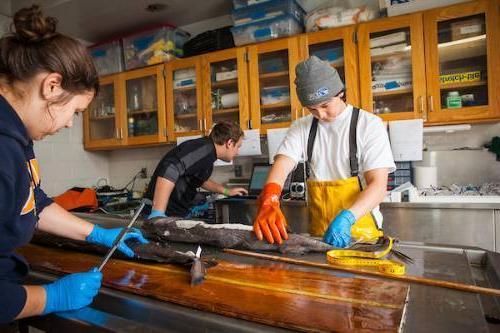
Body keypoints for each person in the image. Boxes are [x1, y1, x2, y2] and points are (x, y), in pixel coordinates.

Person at [0, 5, 148, 324]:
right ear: (52, 86)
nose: (70, 124)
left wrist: (98, 234)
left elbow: (32, 202)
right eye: (76, 112)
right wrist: (50, 298)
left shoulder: (16, 135)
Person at [253, 56, 396, 248]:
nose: (320, 115)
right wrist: (270, 197)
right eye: (312, 109)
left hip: (362, 236)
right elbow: (283, 163)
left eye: (325, 105)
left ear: (341, 93)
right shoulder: (301, 127)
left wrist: (347, 218)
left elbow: (378, 186)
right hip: (318, 237)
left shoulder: (368, 125)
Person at [145, 121, 248, 219]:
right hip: (162, 213)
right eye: (238, 146)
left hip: (175, 213)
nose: (237, 152)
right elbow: (170, 169)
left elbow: (201, 180)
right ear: (229, 143)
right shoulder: (204, 149)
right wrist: (157, 212)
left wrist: (227, 191)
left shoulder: (209, 153)